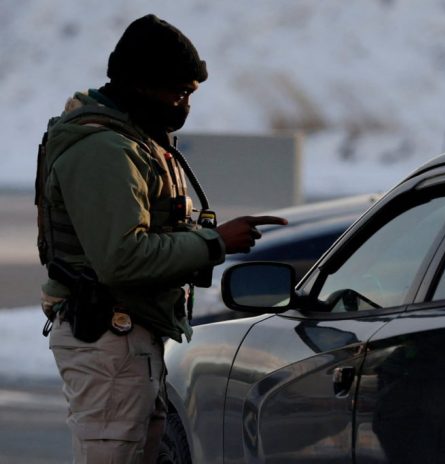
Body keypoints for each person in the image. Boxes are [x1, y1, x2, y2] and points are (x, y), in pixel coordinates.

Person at [35, 14, 287, 463]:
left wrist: (203, 239)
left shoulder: (135, 142)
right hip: (108, 336)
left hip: (131, 337)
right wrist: (214, 243)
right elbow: (122, 257)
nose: (183, 105)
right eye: (179, 92)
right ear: (141, 84)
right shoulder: (104, 151)